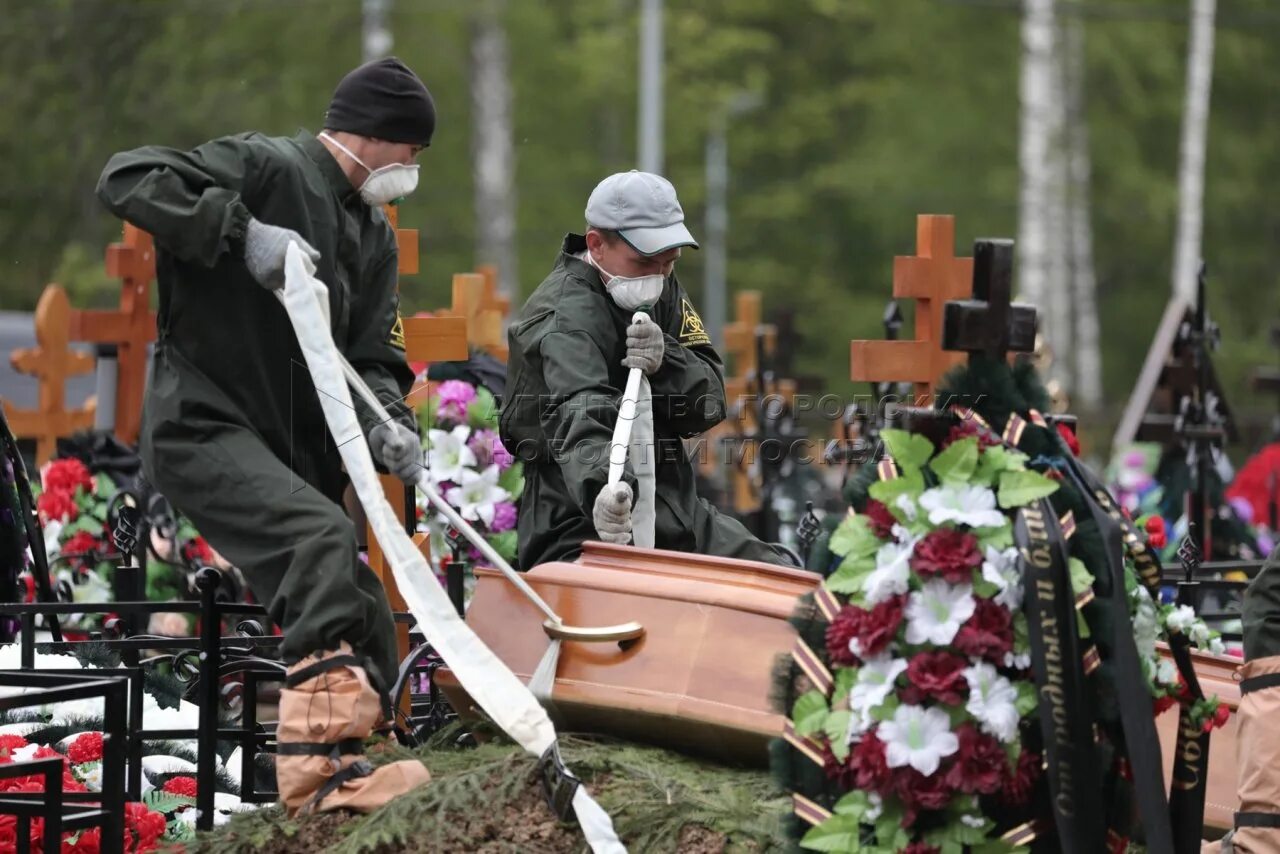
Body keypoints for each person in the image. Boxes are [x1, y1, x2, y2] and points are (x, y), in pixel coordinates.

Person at [95, 57, 433, 816]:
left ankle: (370, 750)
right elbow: (127, 176)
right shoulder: (267, 165)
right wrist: (244, 232)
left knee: (362, 598)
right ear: (379, 137)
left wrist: (392, 429)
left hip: (289, 451)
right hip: (204, 423)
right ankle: (320, 779)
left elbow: (375, 355)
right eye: (414, 152)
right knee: (318, 540)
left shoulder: (371, 235)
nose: (414, 169)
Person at [499, 170, 794, 570]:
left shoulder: (661, 287)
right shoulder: (562, 318)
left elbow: (708, 404)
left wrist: (666, 360)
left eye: (668, 262)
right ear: (596, 244)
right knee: (631, 614)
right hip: (582, 520)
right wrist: (606, 485)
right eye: (645, 261)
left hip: (676, 508)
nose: (658, 276)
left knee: (783, 583)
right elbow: (580, 410)